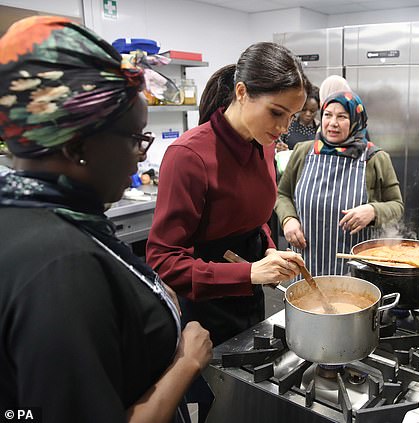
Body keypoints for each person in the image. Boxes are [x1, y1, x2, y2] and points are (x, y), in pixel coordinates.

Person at [0, 16, 212, 423]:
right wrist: (187, 361)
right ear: (79, 146)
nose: (140, 154)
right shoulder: (62, 264)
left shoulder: (28, 214)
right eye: (136, 137)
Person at [146, 42, 311, 347]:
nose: (284, 127)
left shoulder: (264, 144)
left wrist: (269, 252)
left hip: (249, 296)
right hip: (204, 310)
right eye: (276, 112)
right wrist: (247, 272)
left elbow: (251, 217)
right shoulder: (188, 156)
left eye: (292, 116)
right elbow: (163, 261)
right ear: (241, 92)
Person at [275, 91, 404, 276]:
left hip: (355, 269)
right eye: (328, 115)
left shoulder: (375, 159)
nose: (333, 123)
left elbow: (397, 206)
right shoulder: (304, 152)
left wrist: (373, 211)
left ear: (355, 121)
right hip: (307, 264)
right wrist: (288, 220)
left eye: (342, 116)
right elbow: (282, 194)